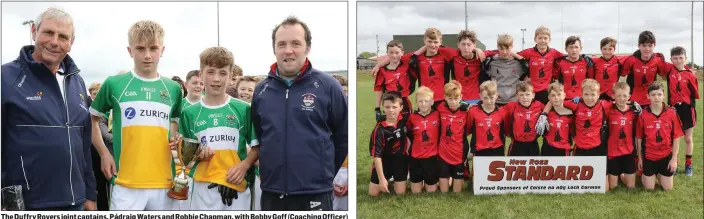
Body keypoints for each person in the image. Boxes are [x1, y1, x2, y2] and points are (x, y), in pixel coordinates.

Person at [1, 7, 97, 210]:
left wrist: (90, 194)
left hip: (76, 203)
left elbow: (84, 144)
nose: (55, 42)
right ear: (34, 32)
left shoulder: (77, 82)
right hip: (24, 205)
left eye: (63, 37)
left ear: (71, 43)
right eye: (48, 33)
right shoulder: (6, 78)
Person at [252, 16, 347, 211]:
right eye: (282, 44)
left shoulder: (327, 86)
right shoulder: (261, 90)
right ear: (274, 49)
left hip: (315, 192)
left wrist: (323, 174)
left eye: (296, 43)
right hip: (272, 192)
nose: (288, 50)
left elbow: (342, 137)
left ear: (307, 47)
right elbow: (261, 137)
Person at [89, 20, 183, 210]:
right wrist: (104, 153)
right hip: (125, 184)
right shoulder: (114, 83)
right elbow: (92, 120)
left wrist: (177, 141)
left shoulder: (173, 89)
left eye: (153, 48)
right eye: (140, 48)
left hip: (164, 184)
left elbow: (174, 129)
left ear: (162, 49)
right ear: (130, 51)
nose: (147, 55)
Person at [178, 47, 259, 210]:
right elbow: (186, 158)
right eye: (211, 72)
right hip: (202, 189)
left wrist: (243, 166)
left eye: (222, 73)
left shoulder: (244, 109)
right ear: (201, 75)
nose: (216, 79)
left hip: (236, 187)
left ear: (230, 78)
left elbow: (257, 147)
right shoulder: (189, 113)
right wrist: (198, 155)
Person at [636, 82, 683, 190]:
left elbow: (676, 137)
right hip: (649, 156)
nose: (656, 97)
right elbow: (639, 138)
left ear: (664, 96)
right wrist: (640, 158)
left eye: (659, 94)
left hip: (666, 156)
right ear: (648, 96)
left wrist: (674, 159)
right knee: (649, 188)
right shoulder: (643, 115)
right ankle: (647, 174)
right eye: (653, 95)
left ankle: (658, 174)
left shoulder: (672, 113)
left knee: (668, 188)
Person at [662, 46, 699, 176]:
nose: (678, 61)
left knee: (688, 138)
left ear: (686, 59)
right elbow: (658, 57)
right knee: (673, 138)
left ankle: (688, 164)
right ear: (671, 59)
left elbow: (694, 95)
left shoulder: (690, 74)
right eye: (675, 58)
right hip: (673, 109)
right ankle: (675, 163)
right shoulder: (669, 70)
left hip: (687, 109)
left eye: (681, 58)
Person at [368, 92, 408, 196]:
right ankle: (384, 177)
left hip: (400, 161)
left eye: (394, 107)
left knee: (400, 193)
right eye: (387, 107)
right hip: (384, 162)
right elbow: (376, 156)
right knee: (373, 194)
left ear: (401, 107)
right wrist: (381, 179)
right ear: (383, 107)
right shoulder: (379, 129)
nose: (391, 110)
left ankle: (404, 174)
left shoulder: (405, 120)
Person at [516, 26, 565, 104]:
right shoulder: (528, 52)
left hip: (547, 90)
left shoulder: (554, 52)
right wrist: (523, 76)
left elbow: (567, 58)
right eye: (540, 38)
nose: (543, 41)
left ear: (549, 40)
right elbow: (513, 55)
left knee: (546, 113)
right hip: (532, 90)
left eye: (545, 38)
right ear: (535, 39)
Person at [436, 81, 470, 193]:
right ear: (445, 97)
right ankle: (448, 177)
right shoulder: (440, 108)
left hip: (459, 152)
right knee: (444, 192)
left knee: (457, 192)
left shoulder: (466, 111)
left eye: (456, 98)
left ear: (461, 97)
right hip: (443, 151)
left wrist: (470, 106)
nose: (453, 102)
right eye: (450, 98)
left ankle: (458, 176)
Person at [406, 87, 441, 193]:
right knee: (416, 192)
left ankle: (444, 179)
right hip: (416, 157)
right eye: (420, 101)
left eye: (426, 101)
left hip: (431, 157)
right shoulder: (412, 117)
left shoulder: (438, 115)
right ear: (416, 102)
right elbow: (408, 134)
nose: (423, 104)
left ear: (432, 102)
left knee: (431, 191)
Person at [620, 30, 668, 105]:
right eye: (644, 45)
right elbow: (620, 75)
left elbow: (665, 77)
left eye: (650, 45)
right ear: (639, 46)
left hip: (651, 100)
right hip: (634, 100)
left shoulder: (658, 60)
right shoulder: (631, 60)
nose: (647, 49)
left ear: (654, 45)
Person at [479, 34, 529, 106]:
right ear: (497, 47)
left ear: (512, 47)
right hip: (496, 102)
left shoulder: (518, 63)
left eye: (507, 48)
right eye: (501, 49)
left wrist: (516, 55)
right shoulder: (490, 63)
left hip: (514, 102)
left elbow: (527, 69)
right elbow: (483, 79)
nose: (504, 52)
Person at [606, 82, 639, 189]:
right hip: (613, 151)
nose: (621, 98)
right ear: (613, 96)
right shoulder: (609, 110)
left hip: (628, 151)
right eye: (619, 95)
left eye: (625, 96)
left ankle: (622, 175)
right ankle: (619, 175)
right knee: (613, 187)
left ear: (629, 97)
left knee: (631, 186)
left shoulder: (634, 111)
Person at [373, 40, 415, 122]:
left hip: (404, 103)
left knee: (407, 128)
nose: (394, 55)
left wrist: (378, 64)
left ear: (402, 52)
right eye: (391, 52)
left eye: (397, 52)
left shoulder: (406, 63)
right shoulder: (382, 71)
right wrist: (377, 109)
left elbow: (421, 50)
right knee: (392, 128)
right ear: (387, 53)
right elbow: (379, 90)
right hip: (390, 103)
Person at [502, 81, 545, 156]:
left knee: (533, 167)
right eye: (521, 95)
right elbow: (495, 112)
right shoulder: (511, 106)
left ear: (533, 95)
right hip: (517, 144)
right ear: (517, 96)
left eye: (528, 94)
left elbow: (552, 106)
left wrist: (544, 114)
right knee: (514, 167)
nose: (525, 97)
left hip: (533, 143)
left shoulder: (540, 106)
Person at [467, 80, 507, 157]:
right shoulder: (473, 111)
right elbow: (468, 129)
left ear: (497, 96)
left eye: (491, 98)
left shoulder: (502, 112)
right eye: (485, 98)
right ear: (480, 96)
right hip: (479, 150)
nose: (489, 101)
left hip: (497, 149)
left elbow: (506, 130)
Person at [536, 82, 574, 156]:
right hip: (547, 148)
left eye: (559, 94)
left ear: (564, 95)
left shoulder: (571, 112)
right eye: (553, 95)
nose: (556, 98)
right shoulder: (544, 110)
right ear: (549, 98)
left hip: (563, 149)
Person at [553, 36, 595, 100]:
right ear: (566, 49)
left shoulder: (586, 62)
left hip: (582, 98)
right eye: (571, 47)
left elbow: (591, 80)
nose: (574, 50)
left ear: (580, 48)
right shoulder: (559, 62)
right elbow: (554, 79)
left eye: (576, 47)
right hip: (565, 98)